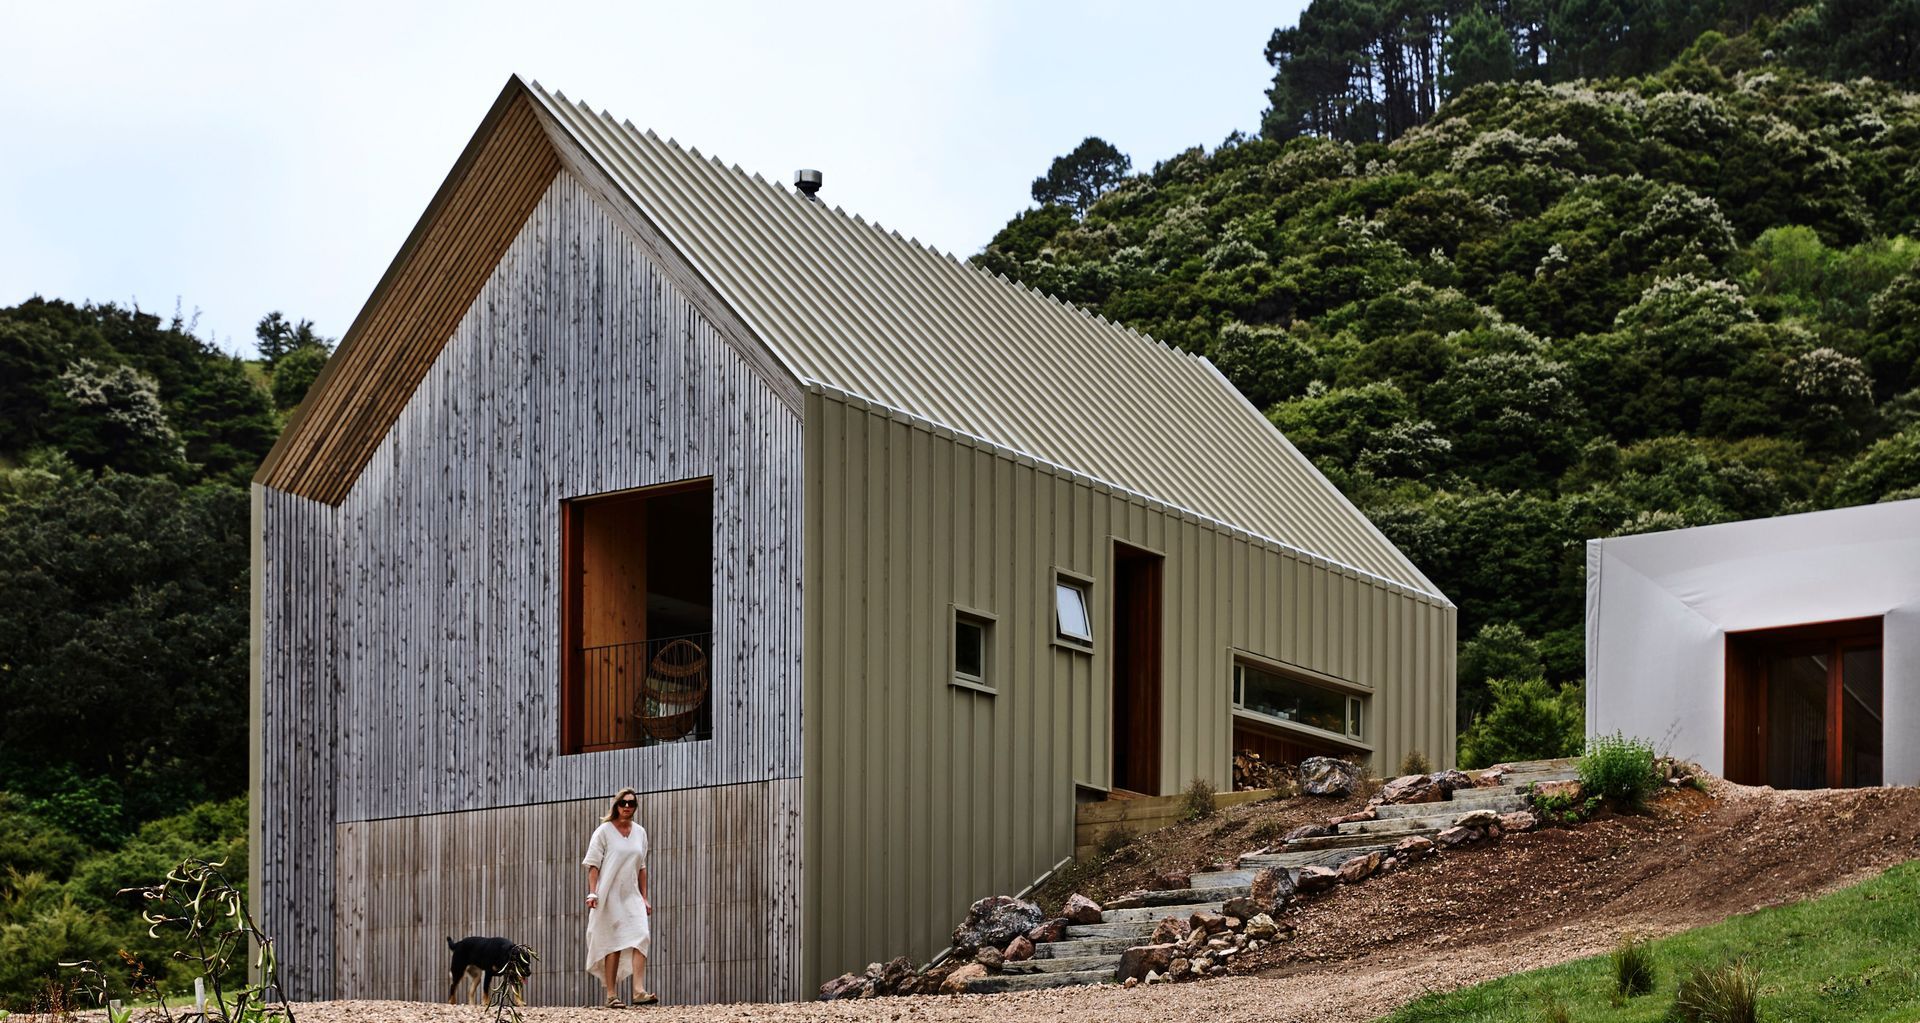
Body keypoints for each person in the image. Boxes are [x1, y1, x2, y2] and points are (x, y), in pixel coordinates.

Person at [582, 787, 654, 1007]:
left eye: (631, 803)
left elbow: (641, 867)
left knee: (641, 935)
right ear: (616, 805)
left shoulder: (640, 832)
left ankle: (638, 991)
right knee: (613, 943)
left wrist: (644, 897)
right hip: (608, 894)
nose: (627, 807)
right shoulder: (603, 831)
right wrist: (593, 891)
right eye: (623, 803)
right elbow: (593, 863)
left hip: (631, 894)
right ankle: (612, 995)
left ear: (635, 807)